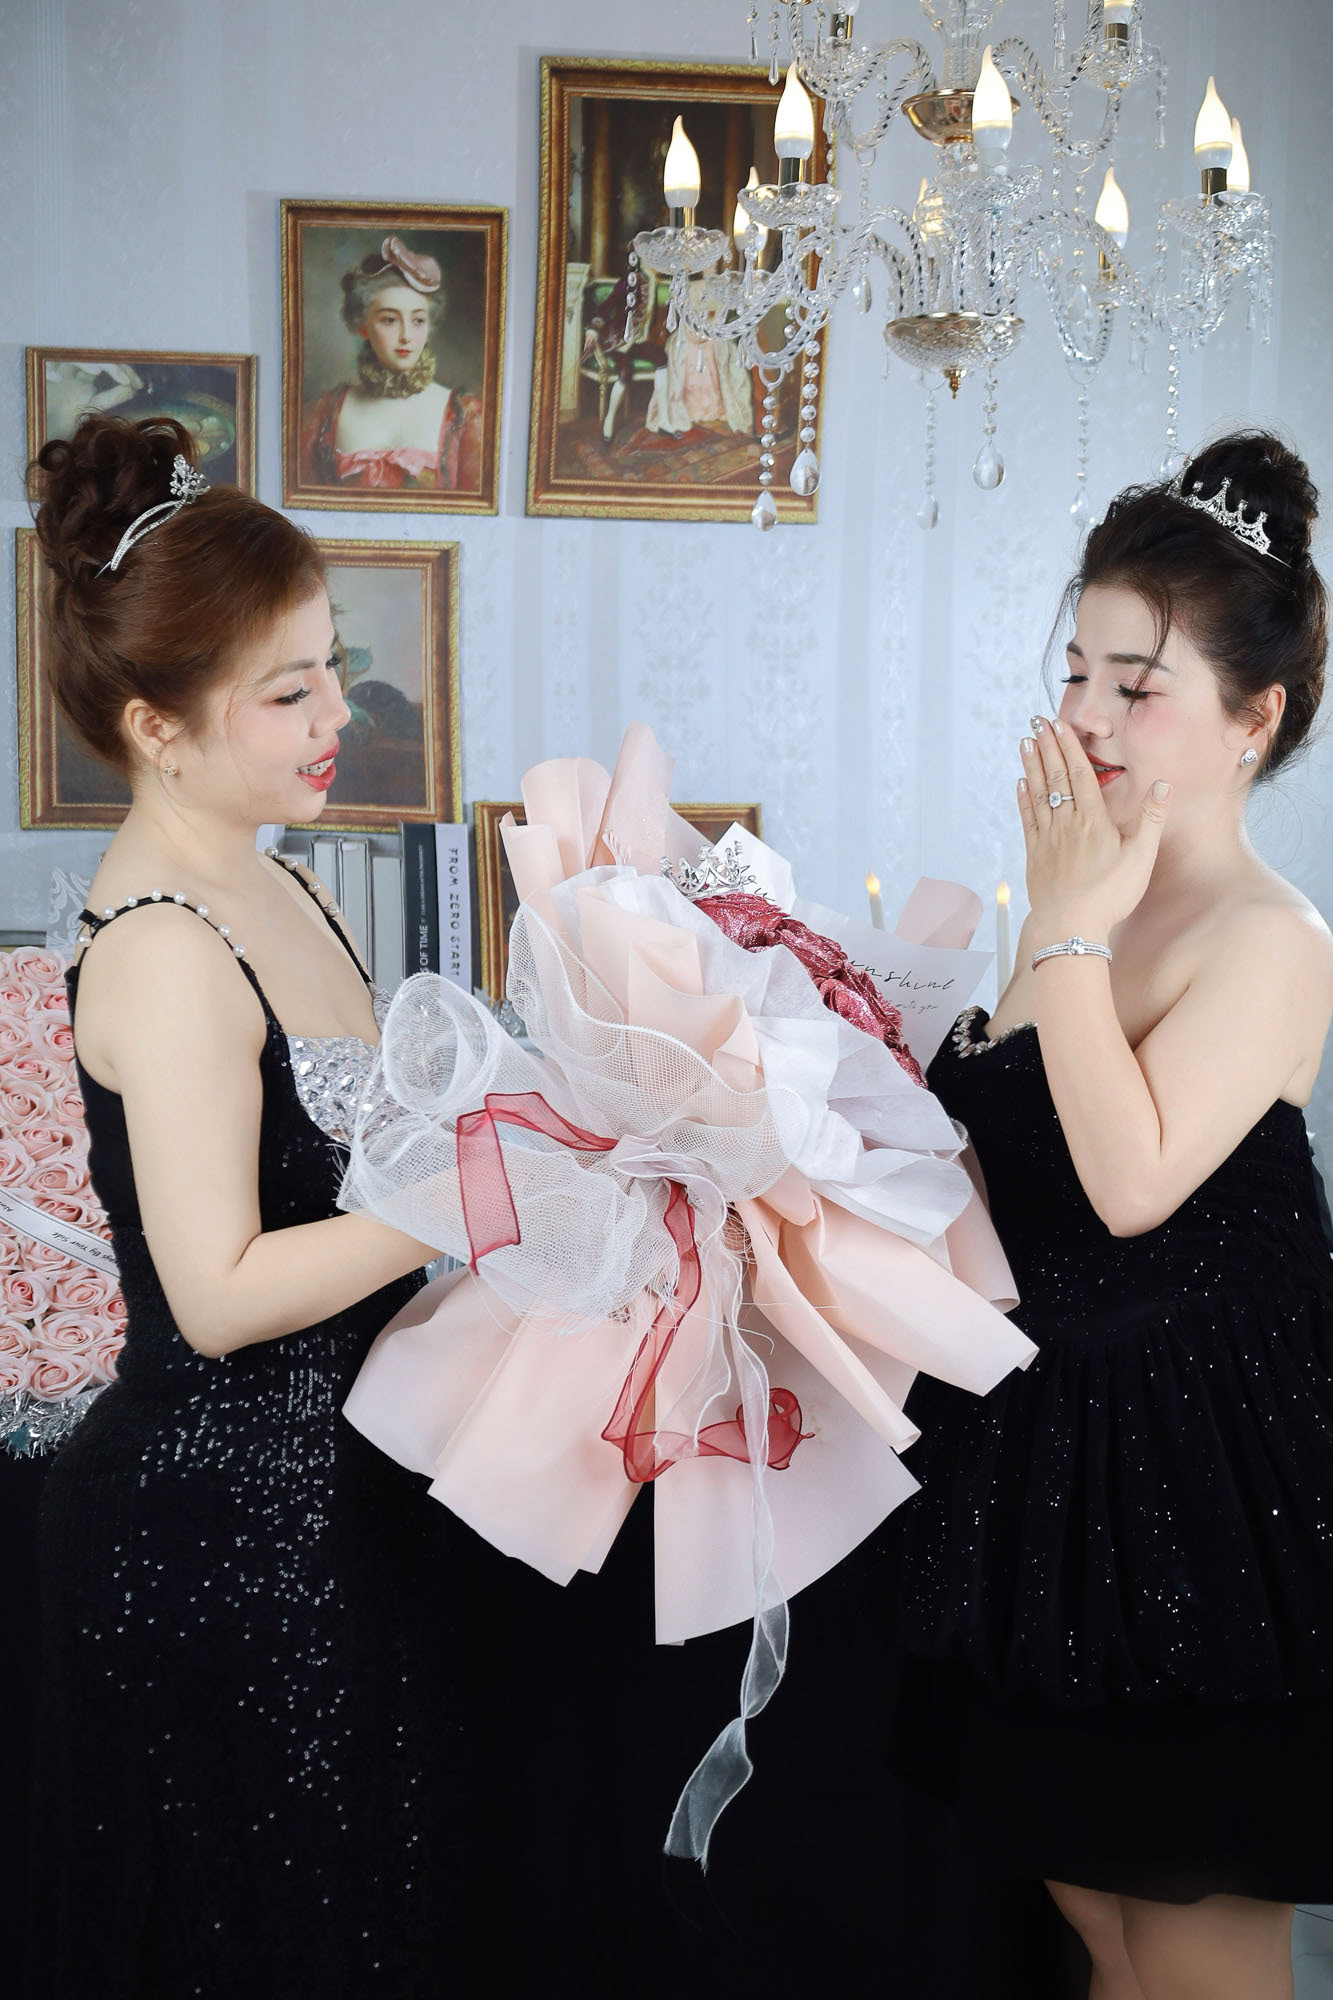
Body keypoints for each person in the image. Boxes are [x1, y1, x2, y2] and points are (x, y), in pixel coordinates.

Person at [24, 414, 462, 1998]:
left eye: (330, 668)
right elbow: (212, 1294)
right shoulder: (161, 944)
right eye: (288, 692)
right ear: (157, 726)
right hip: (213, 1529)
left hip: (332, 1503)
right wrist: (478, 1197)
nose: (339, 713)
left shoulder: (279, 876)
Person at [891, 432, 1333, 2000]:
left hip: (1202, 1503)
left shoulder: (1270, 937)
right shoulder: (1077, 907)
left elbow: (1132, 1184)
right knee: (1090, 1927)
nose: (1084, 716)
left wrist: (1066, 925)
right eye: (1076, 671)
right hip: (1049, 1486)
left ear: (1252, 718)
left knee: (1193, 1941)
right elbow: (1001, 1177)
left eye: (1135, 686)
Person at [299, 233, 482, 492]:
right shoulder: (324, 414)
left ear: (429, 327)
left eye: (418, 320)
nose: (406, 335)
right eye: (389, 320)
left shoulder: (465, 416)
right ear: (363, 326)